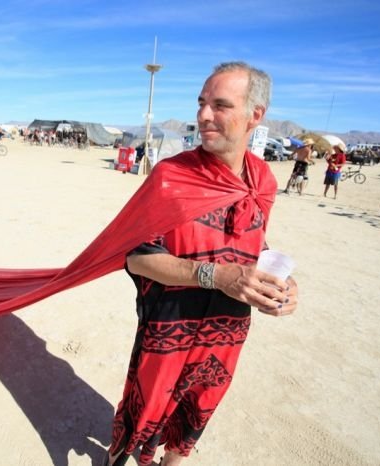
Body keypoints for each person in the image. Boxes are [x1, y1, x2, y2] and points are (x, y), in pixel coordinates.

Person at [104, 62, 299, 466]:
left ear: (255, 115)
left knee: (197, 413)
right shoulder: (171, 176)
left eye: (220, 105)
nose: (204, 115)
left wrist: (280, 284)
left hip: (226, 332)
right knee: (143, 416)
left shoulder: (263, 180)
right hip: (169, 328)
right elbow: (136, 257)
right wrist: (214, 275)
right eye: (202, 103)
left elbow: (255, 240)